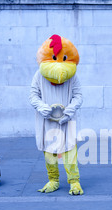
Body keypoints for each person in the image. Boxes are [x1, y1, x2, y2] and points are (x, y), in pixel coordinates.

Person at [29, 34, 84, 195]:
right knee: (49, 152)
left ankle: (74, 182)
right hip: (47, 121)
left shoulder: (72, 76)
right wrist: (41, 107)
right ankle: (53, 180)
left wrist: (70, 110)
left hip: (66, 121)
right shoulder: (39, 75)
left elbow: (78, 95)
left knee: (70, 151)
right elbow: (33, 95)